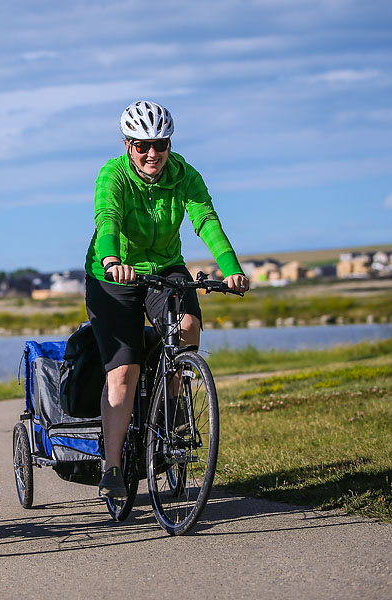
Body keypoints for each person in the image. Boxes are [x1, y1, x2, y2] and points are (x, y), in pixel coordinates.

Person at [85, 100, 249, 499]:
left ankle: (174, 408)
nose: (152, 154)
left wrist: (230, 267)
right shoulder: (113, 174)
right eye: (142, 145)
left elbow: (205, 219)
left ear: (169, 145)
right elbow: (107, 216)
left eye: (160, 144)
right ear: (128, 145)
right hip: (113, 274)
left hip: (164, 268)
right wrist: (111, 259)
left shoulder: (185, 175)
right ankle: (112, 465)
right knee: (123, 373)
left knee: (188, 327)